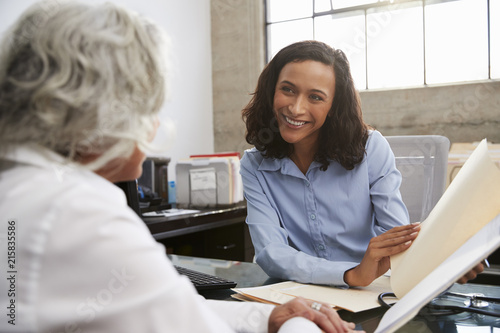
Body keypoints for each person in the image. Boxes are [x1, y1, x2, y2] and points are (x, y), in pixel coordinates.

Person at [0, 3, 359, 333]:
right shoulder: (83, 214)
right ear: (105, 112)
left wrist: (269, 316)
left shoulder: (28, 186)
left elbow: (175, 308)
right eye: (152, 105)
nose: (155, 125)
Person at [240, 40, 484, 288]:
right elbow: (270, 253)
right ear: (272, 90)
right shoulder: (254, 165)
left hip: (370, 291)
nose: (296, 107)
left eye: (315, 97)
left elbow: (397, 236)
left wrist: (442, 258)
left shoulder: (370, 148)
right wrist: (350, 274)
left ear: (333, 106)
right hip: (297, 292)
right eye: (288, 90)